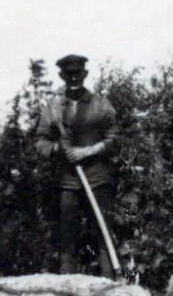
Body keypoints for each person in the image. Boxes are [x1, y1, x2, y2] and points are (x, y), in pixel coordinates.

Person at [35, 54, 120, 277]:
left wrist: (87, 151)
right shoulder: (53, 108)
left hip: (98, 178)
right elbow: (40, 142)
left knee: (103, 232)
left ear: (85, 74)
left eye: (78, 74)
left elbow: (114, 139)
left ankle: (111, 286)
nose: (74, 78)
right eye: (69, 74)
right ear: (62, 75)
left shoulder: (101, 104)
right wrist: (57, 150)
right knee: (67, 237)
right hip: (67, 181)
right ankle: (68, 289)